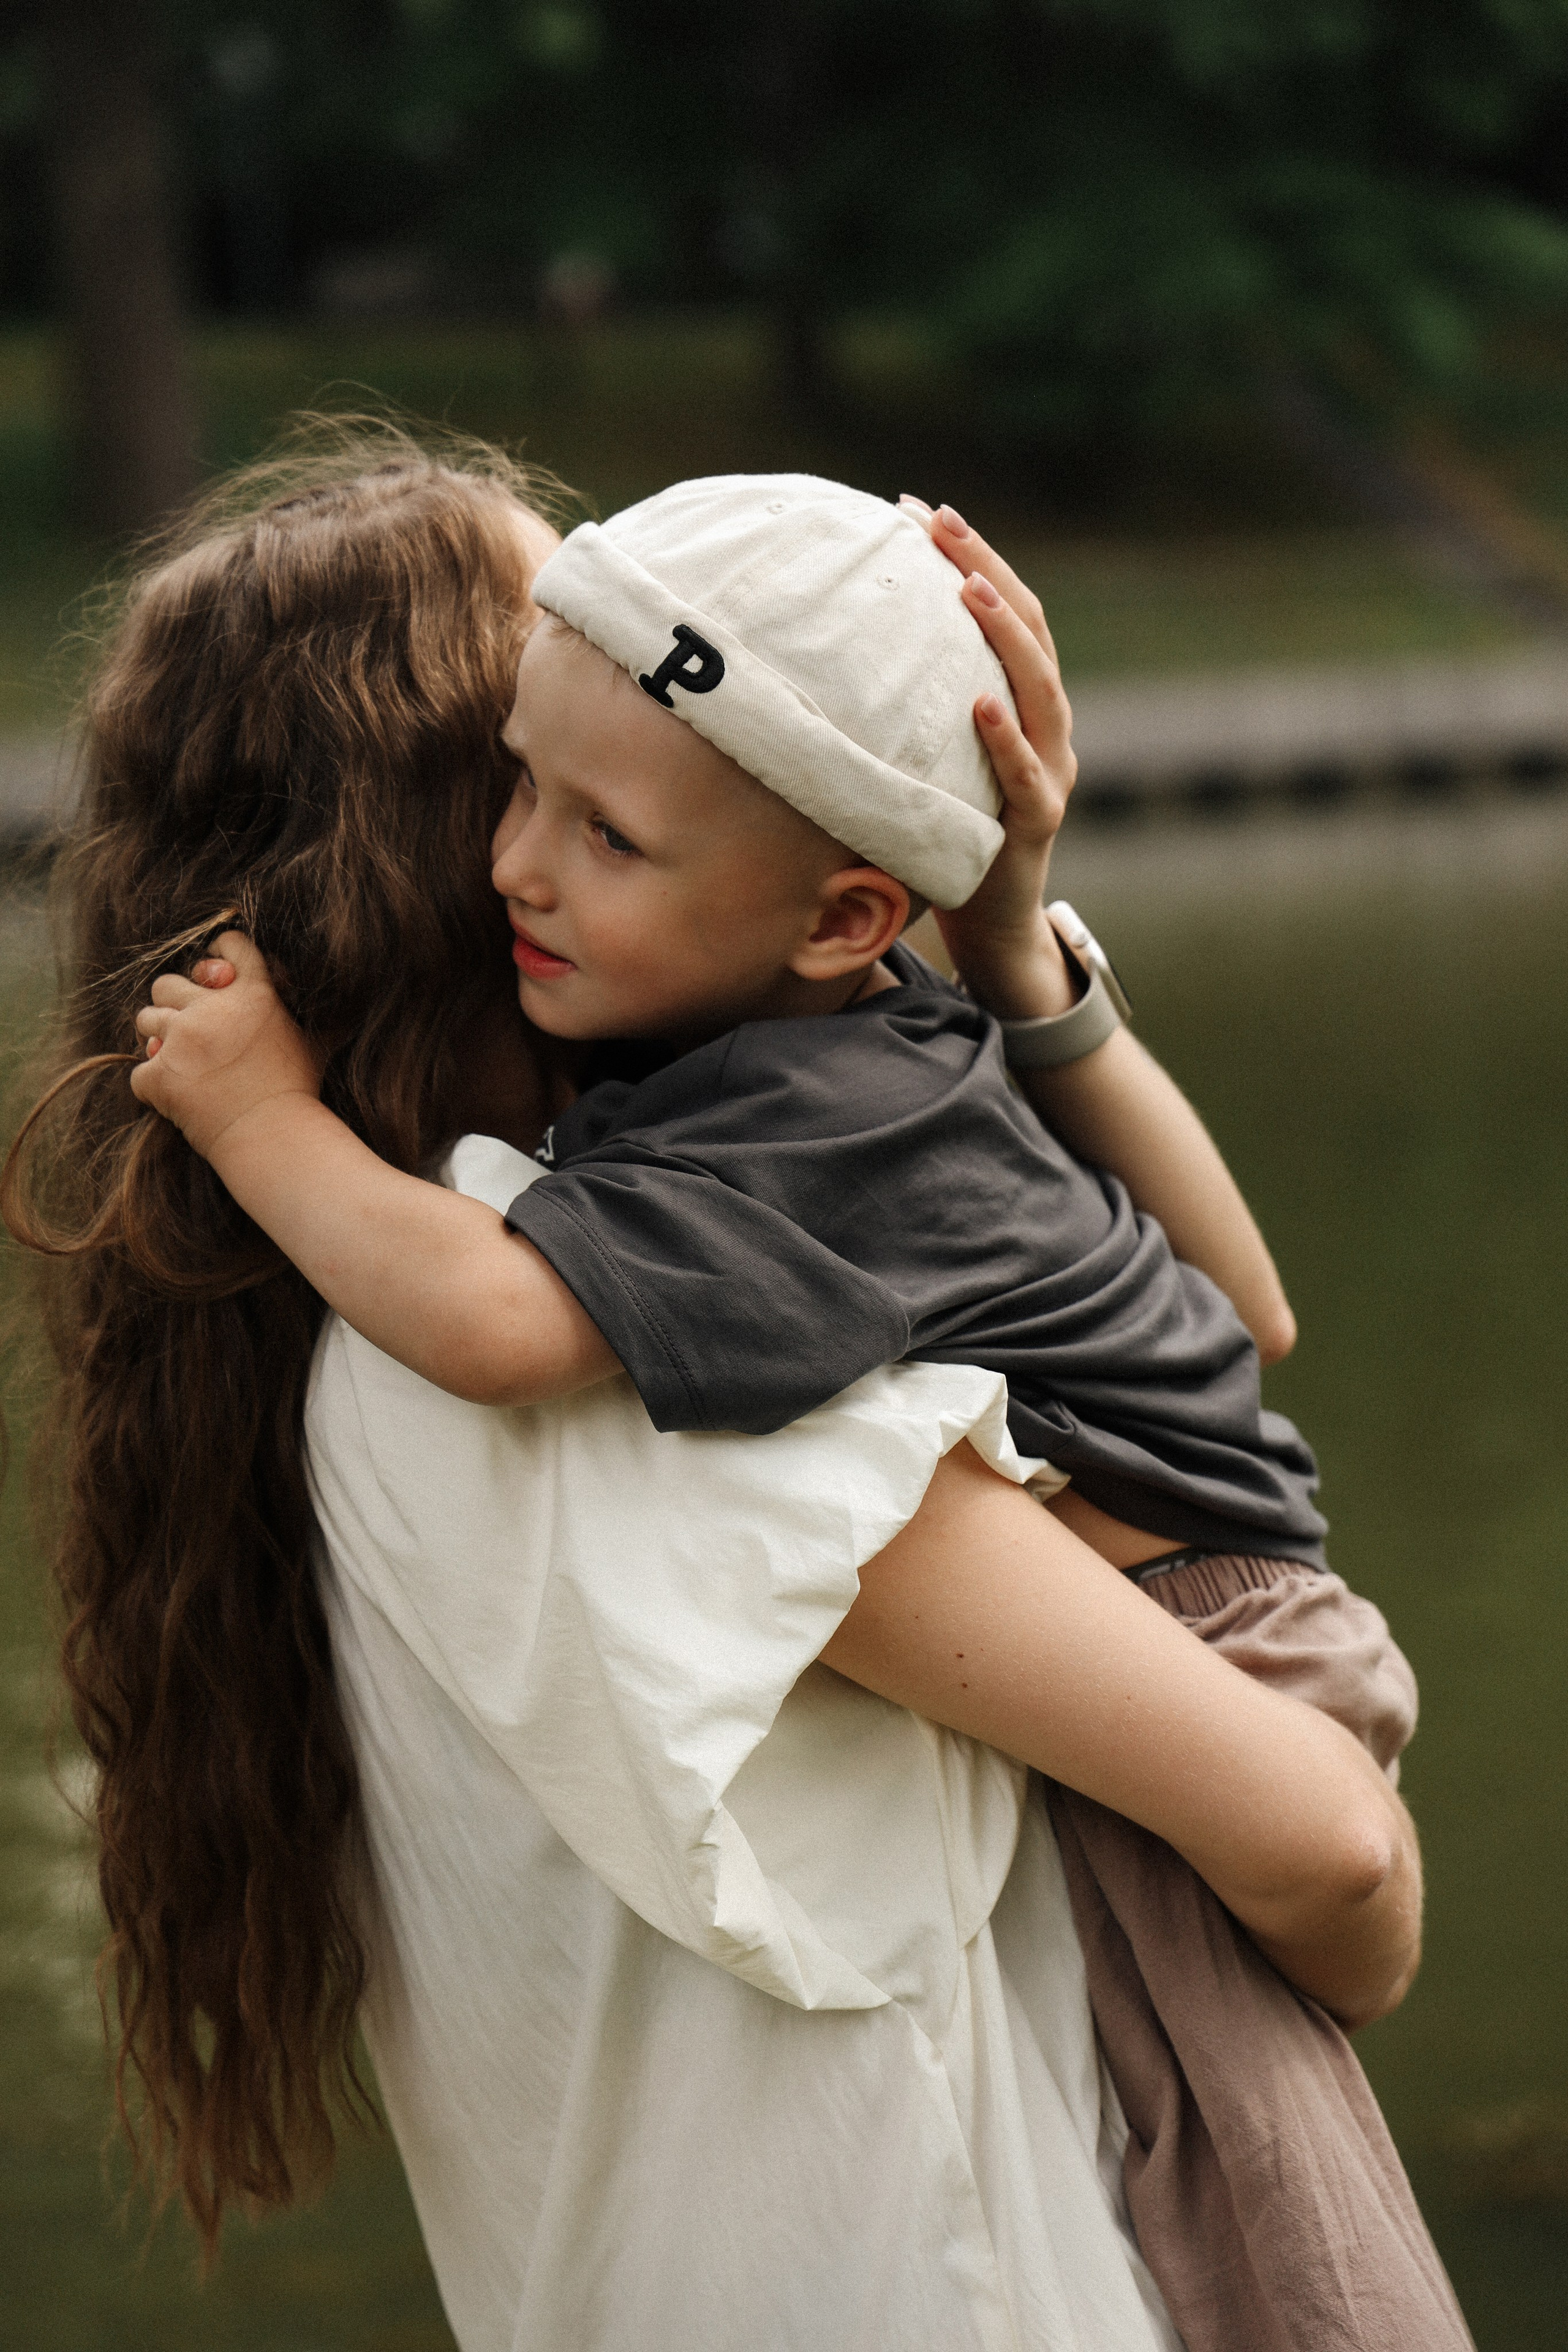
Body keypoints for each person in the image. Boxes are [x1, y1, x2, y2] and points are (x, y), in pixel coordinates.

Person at [6, 428, 1445, 2351]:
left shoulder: (388, 1335)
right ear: (441, 838)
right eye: (527, 768)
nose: (545, 843)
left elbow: (1224, 1321)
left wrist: (1000, 928)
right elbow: (1338, 1853)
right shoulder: (601, 1363)